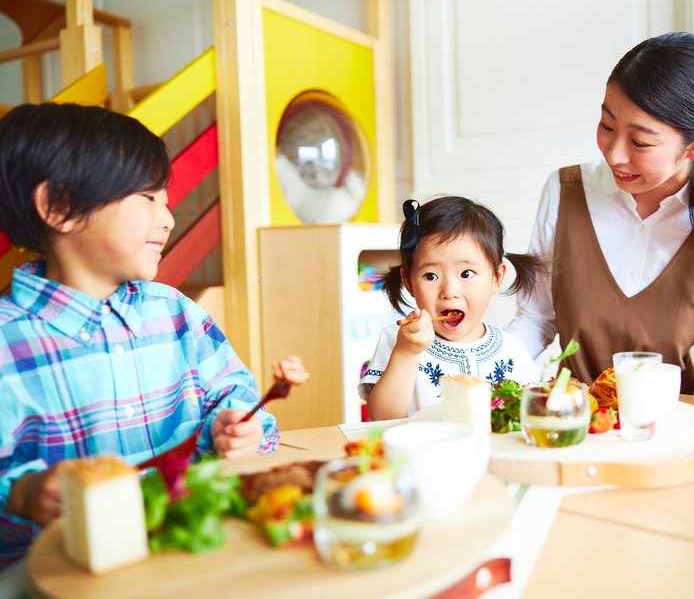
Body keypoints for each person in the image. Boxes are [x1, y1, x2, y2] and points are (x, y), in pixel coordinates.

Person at [0, 103, 308, 567]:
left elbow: (239, 399)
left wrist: (239, 430)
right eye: (148, 197)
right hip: (60, 575)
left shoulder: (175, 312)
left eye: (165, 199)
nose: (168, 218)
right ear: (59, 206)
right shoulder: (8, 343)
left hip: (191, 551)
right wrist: (23, 494)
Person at [507, 32, 694, 398]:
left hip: (675, 421)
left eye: (640, 142)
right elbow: (536, 320)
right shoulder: (566, 191)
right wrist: (483, 370)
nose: (614, 155)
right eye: (607, 126)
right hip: (574, 417)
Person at [360, 197, 546, 420]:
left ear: (497, 277)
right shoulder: (398, 342)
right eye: (431, 276)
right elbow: (383, 419)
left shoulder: (511, 348)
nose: (449, 291)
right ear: (408, 282)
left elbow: (536, 410)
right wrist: (406, 353)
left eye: (466, 273)